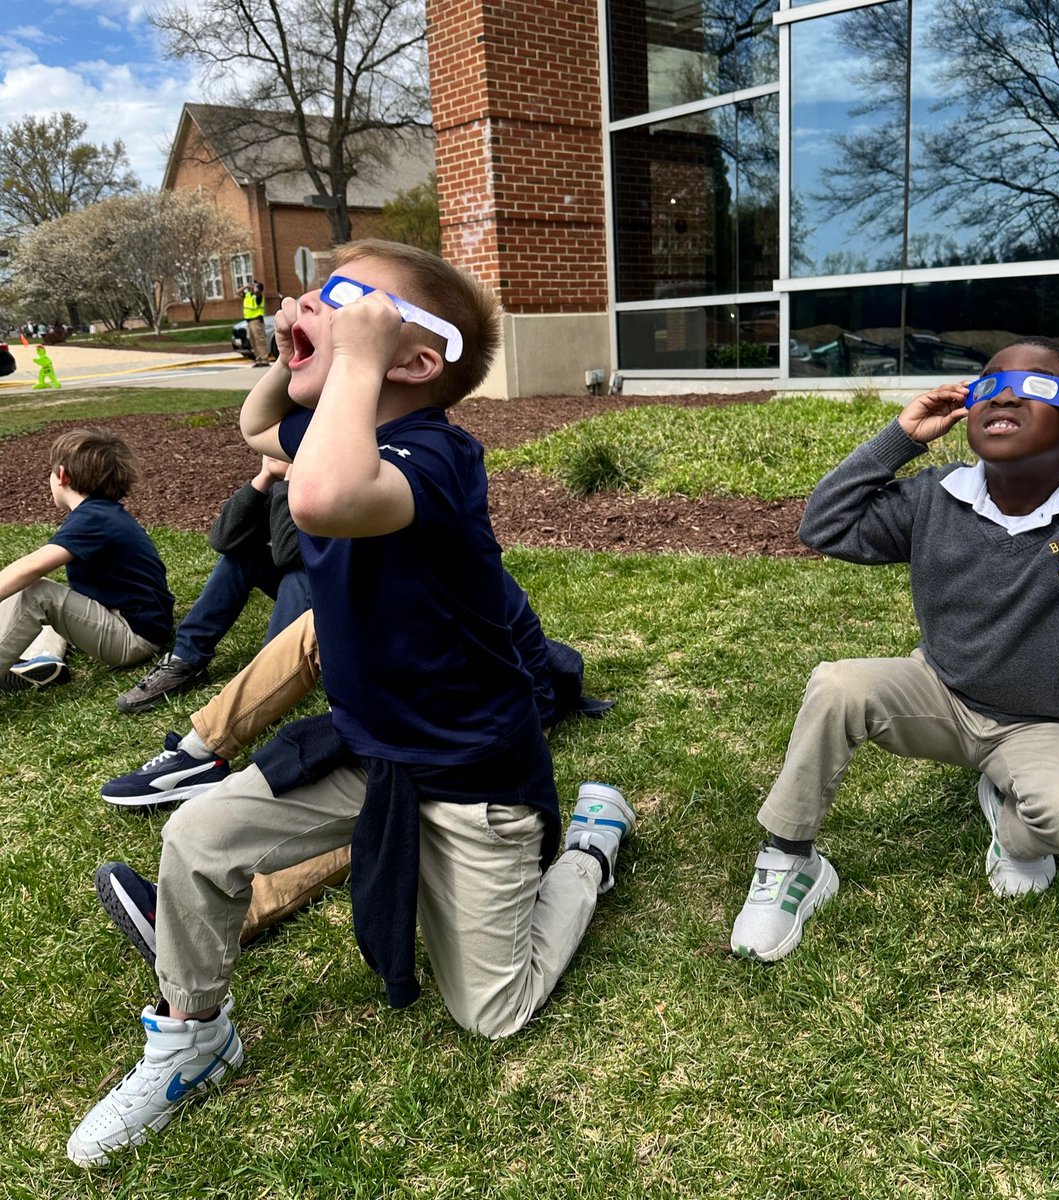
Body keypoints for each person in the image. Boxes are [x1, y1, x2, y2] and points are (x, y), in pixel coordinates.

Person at [67, 239, 636, 1167]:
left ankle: (589, 847)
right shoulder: (344, 431)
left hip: (471, 778)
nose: (311, 303)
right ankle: (195, 1037)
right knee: (196, 840)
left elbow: (326, 498)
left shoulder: (438, 454)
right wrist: (294, 350)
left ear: (416, 361)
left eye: (347, 296)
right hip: (370, 753)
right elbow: (261, 431)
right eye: (318, 291)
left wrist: (350, 353)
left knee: (492, 1012)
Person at [730, 336, 1059, 962]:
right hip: (942, 694)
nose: (1002, 392)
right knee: (839, 684)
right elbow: (826, 525)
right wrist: (901, 438)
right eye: (987, 383)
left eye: (1034, 386)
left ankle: (1014, 819)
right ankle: (790, 860)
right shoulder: (938, 495)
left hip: (1048, 720)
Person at [94, 571, 614, 960]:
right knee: (320, 625)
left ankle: (203, 920)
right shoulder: (363, 534)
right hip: (414, 702)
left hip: (477, 737)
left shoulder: (448, 542)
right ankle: (196, 753)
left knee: (392, 806)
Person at [115, 456, 309, 713]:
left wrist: (289, 483)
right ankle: (185, 660)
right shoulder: (296, 465)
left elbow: (288, 553)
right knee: (240, 557)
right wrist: (265, 478)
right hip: (312, 583)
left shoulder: (336, 469)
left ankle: (267, 682)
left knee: (300, 574)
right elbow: (224, 540)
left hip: (353, 599)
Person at [0, 428, 173, 695]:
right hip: (130, 624)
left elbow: (32, 567)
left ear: (62, 475)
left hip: (134, 637)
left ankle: (36, 655)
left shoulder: (93, 518)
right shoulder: (100, 513)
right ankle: (40, 660)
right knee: (27, 588)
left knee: (36, 592)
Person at [242, 280, 270, 367]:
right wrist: (247, 286)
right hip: (249, 321)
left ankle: (264, 359)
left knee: (260, 340)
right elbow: (238, 292)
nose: (253, 287)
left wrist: (255, 286)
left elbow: (257, 291)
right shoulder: (248, 295)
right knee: (253, 341)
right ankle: (258, 359)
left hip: (257, 321)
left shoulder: (259, 296)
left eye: (255, 286)